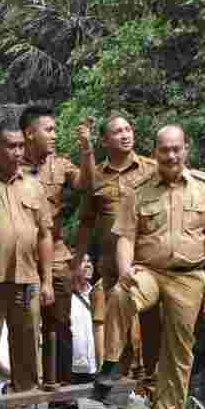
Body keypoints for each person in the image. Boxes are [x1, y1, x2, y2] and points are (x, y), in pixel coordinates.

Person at [96, 125, 205, 409]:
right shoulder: (139, 189)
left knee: (178, 349)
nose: (171, 155)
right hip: (149, 271)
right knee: (120, 294)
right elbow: (125, 237)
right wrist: (125, 269)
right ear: (155, 152)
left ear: (186, 149)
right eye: (164, 150)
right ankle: (111, 364)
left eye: (176, 149)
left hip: (189, 276)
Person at [0, 121, 52, 409]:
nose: (18, 152)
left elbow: (44, 234)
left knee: (28, 339)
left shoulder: (33, 185)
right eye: (11, 146)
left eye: (21, 146)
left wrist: (47, 280)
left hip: (26, 276)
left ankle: (26, 399)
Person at [20, 104, 89, 403]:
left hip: (57, 252)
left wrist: (87, 151)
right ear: (29, 133)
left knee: (60, 322)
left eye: (55, 129)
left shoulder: (60, 165)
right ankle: (26, 392)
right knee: (24, 326)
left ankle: (63, 389)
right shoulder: (13, 167)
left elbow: (87, 184)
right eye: (48, 129)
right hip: (23, 255)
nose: (54, 135)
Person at [75, 113, 157, 290]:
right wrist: (77, 262)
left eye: (128, 130)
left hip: (149, 264)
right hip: (111, 268)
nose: (125, 135)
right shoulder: (95, 176)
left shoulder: (152, 169)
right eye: (118, 132)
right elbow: (86, 222)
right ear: (105, 141)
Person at [70, 257, 98, 383]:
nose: (88, 265)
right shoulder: (65, 298)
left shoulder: (99, 294)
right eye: (83, 261)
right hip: (72, 371)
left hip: (96, 369)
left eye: (90, 261)